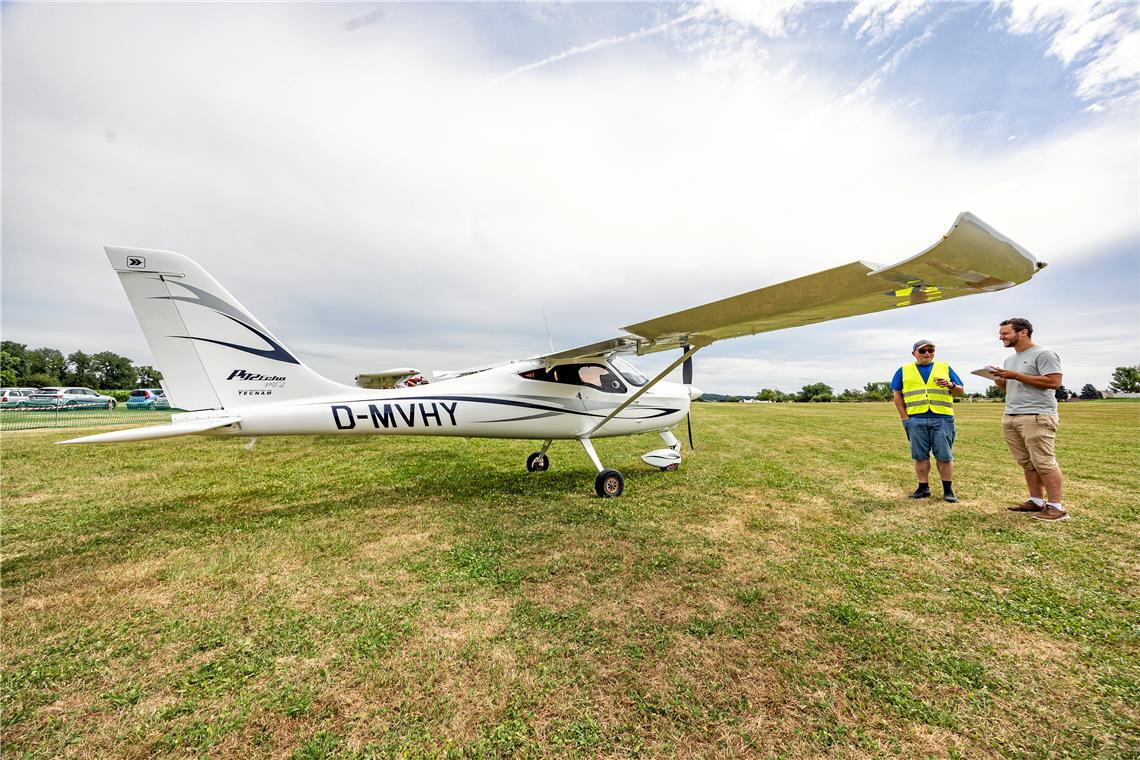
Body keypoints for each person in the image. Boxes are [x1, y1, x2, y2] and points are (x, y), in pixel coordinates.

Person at [989, 317, 1068, 521]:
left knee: (1044, 461)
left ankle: (1056, 507)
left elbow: (1054, 382)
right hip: (1012, 415)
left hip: (1036, 415)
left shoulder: (1044, 354)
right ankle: (1036, 501)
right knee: (1027, 462)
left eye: (1005, 333)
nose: (1001, 337)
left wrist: (1015, 376)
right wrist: (1000, 379)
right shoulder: (1010, 360)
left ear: (1023, 332)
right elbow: (1010, 386)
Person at [891, 340, 965, 502]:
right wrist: (905, 418)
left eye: (930, 350)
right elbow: (897, 394)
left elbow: (961, 391)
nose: (927, 353)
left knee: (944, 456)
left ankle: (948, 491)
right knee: (920, 456)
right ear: (914, 353)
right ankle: (923, 488)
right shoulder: (903, 370)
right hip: (916, 419)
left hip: (943, 419)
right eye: (922, 350)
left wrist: (951, 385)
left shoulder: (945, 367)